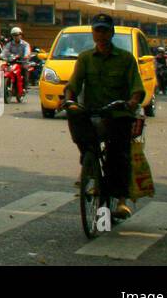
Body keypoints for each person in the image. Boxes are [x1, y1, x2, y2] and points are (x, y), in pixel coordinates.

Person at [62, 13, 145, 220]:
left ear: (111, 33)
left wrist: (132, 102)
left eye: (104, 30)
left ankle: (121, 200)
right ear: (93, 33)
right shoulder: (85, 58)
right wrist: (69, 100)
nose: (100, 34)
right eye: (97, 30)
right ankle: (88, 160)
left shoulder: (126, 59)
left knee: (118, 156)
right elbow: (73, 85)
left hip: (118, 113)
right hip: (92, 112)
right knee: (75, 117)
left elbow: (137, 88)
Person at [0, 26, 32, 96]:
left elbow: (27, 52)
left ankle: (25, 87)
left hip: (22, 62)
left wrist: (26, 56)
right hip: (12, 62)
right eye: (14, 35)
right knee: (3, 68)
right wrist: (1, 56)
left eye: (17, 35)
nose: (16, 37)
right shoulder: (9, 44)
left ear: (21, 35)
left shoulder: (25, 44)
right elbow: (4, 52)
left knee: (25, 69)